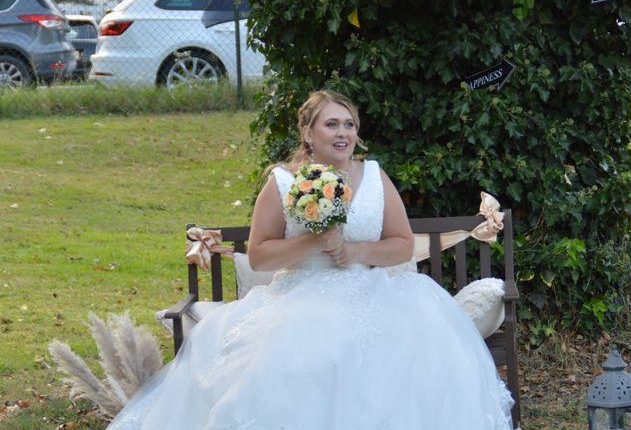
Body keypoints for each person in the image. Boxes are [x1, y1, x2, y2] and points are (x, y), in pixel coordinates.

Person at [107, 90, 513, 429]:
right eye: (331, 124)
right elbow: (261, 256)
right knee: (308, 356)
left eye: (349, 124)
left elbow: (402, 244)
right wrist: (314, 242)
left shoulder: (374, 175)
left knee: (403, 353)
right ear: (309, 132)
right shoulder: (283, 182)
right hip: (302, 295)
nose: (343, 133)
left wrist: (353, 251)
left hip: (373, 290)